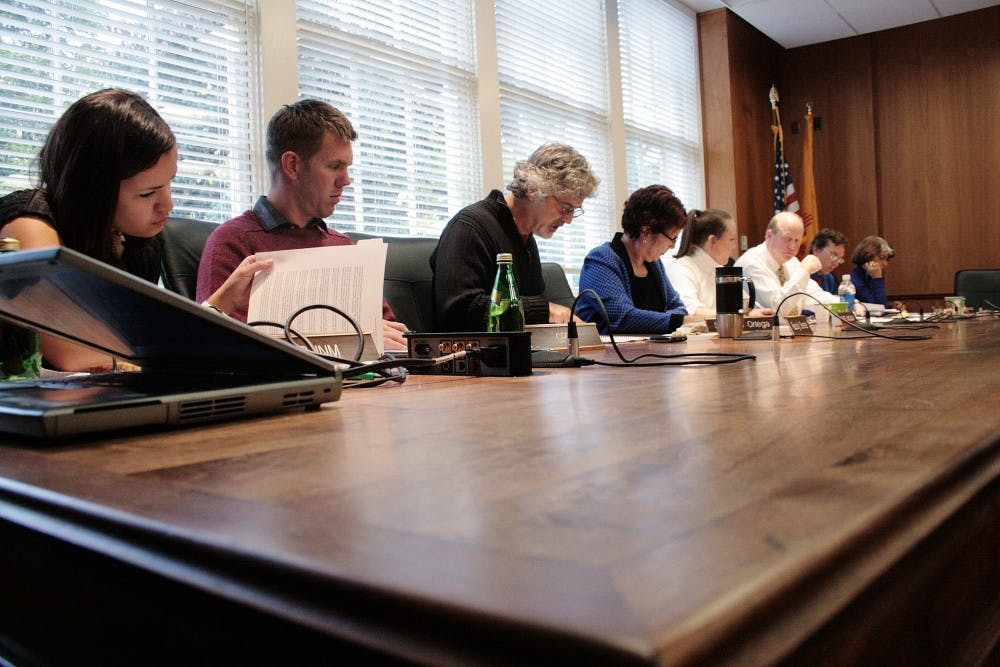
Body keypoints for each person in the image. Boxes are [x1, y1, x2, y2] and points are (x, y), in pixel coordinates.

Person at [0, 88, 265, 372]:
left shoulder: (138, 242)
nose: (168, 205)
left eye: (169, 183)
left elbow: (136, 346)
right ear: (93, 191)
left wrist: (219, 305)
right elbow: (74, 352)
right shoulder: (29, 224)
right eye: (147, 193)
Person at [196, 99, 408, 349]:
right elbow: (223, 345)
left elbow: (391, 336)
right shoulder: (234, 242)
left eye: (347, 168)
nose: (346, 180)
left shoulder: (342, 246)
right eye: (334, 166)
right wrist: (346, 338)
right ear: (292, 165)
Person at [430, 143, 599, 332]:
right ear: (534, 190)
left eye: (574, 211)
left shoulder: (525, 240)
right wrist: (545, 311)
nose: (568, 219)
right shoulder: (468, 227)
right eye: (566, 208)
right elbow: (459, 311)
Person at [576, 185, 687, 334]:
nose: (673, 246)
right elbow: (623, 317)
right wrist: (676, 320)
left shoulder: (654, 264)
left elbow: (677, 306)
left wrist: (676, 319)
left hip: (651, 346)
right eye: (672, 237)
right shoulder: (601, 260)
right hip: (608, 348)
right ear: (646, 231)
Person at [664, 208, 772, 322]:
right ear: (713, 240)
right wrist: (741, 315)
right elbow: (691, 313)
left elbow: (744, 304)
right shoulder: (681, 268)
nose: (734, 246)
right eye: (731, 239)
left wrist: (751, 313)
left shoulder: (720, 269)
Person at [734, 211, 839, 315]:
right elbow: (778, 309)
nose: (792, 247)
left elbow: (815, 296)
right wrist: (804, 271)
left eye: (797, 240)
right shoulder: (752, 263)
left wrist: (845, 302)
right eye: (787, 239)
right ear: (769, 235)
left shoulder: (792, 262)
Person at [849, 235, 894, 307]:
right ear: (868, 256)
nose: (885, 263)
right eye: (881, 257)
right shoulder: (855, 280)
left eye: (887, 259)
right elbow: (879, 307)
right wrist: (877, 279)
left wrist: (892, 306)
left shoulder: (869, 276)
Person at [807, 228, 848, 295]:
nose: (836, 264)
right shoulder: (801, 275)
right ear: (816, 250)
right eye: (833, 256)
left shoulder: (830, 278)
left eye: (840, 259)